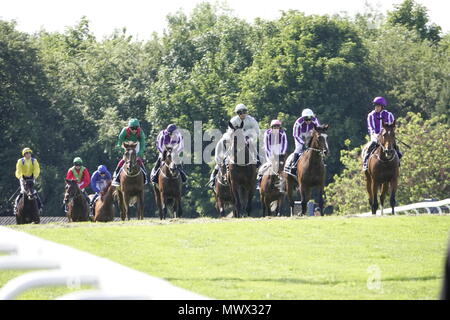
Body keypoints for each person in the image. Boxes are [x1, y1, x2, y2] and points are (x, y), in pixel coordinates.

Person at [362, 96, 402, 171]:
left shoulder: (389, 115)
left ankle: (398, 161)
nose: (376, 108)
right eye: (375, 106)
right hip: (375, 135)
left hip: (386, 135)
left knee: (395, 146)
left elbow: (392, 126)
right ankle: (366, 162)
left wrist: (390, 134)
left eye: (378, 106)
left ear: (382, 107)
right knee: (371, 145)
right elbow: (370, 127)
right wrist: (376, 135)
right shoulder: (370, 115)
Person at [112, 118, 148, 186]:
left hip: (135, 144)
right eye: (132, 128)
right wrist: (122, 150)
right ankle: (116, 176)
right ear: (129, 127)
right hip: (126, 144)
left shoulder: (140, 132)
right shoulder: (124, 131)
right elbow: (119, 142)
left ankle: (145, 176)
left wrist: (139, 153)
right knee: (124, 159)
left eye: (136, 128)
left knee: (138, 159)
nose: (134, 130)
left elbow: (142, 144)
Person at [285, 108, 321, 175]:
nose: (308, 121)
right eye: (306, 119)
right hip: (300, 135)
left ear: (312, 117)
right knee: (299, 147)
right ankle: (294, 164)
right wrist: (303, 143)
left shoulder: (315, 120)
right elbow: (296, 135)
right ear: (303, 118)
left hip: (309, 133)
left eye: (310, 119)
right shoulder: (298, 123)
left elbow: (319, 130)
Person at [256, 120, 288, 190]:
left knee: (285, 167)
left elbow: (284, 143)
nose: (276, 128)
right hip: (270, 151)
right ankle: (259, 180)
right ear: (272, 127)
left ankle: (288, 184)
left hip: (280, 152)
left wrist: (282, 153)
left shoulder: (282, 133)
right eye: (275, 127)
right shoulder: (267, 133)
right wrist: (271, 155)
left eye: (278, 127)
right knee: (268, 165)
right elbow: (266, 145)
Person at [14, 147, 43, 214]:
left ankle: (40, 206)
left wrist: (35, 176)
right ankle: (16, 206)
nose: (28, 154)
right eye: (27, 153)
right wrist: (21, 177)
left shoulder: (34, 161)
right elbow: (18, 171)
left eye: (29, 153)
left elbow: (37, 169)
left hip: (31, 178)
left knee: (33, 191)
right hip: (23, 178)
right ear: (24, 154)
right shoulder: (20, 161)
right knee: (22, 191)